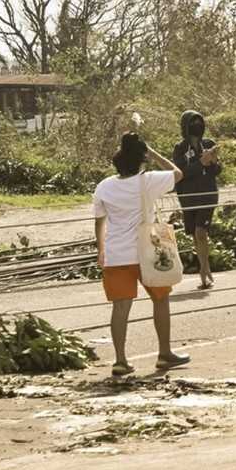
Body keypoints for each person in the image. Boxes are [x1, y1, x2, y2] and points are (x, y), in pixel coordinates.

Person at [93, 133, 191, 377]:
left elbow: (99, 221)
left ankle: (120, 360)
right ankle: (164, 353)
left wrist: (101, 249)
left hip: (116, 253)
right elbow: (178, 173)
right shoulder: (147, 181)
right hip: (147, 252)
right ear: (141, 159)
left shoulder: (104, 186)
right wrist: (153, 152)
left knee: (120, 307)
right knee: (160, 300)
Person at [173, 111, 223, 290]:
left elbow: (217, 171)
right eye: (193, 123)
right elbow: (181, 173)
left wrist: (212, 162)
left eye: (199, 122)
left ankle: (205, 269)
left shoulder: (208, 144)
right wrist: (200, 162)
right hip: (188, 196)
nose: (197, 126)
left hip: (207, 195)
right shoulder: (180, 148)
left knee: (201, 231)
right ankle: (204, 268)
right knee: (195, 234)